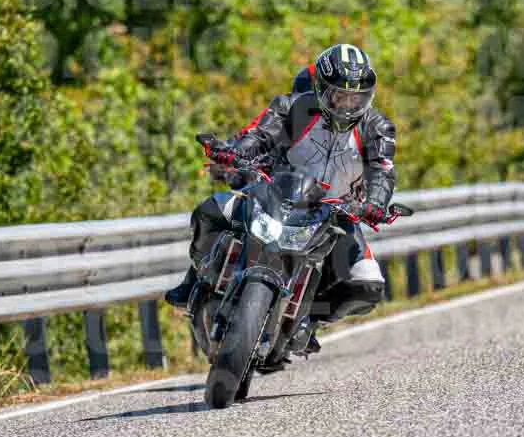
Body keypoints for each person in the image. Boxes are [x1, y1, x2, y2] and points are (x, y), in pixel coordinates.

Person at [165, 44, 397, 353]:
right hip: (277, 196)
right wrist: (232, 152)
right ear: (321, 89)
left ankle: (308, 320)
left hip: (336, 212)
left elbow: (383, 170)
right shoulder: (293, 107)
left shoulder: (377, 127)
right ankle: (196, 279)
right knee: (211, 211)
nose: (347, 105)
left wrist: (375, 204)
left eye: (356, 98)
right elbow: (258, 135)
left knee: (368, 285)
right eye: (339, 96)